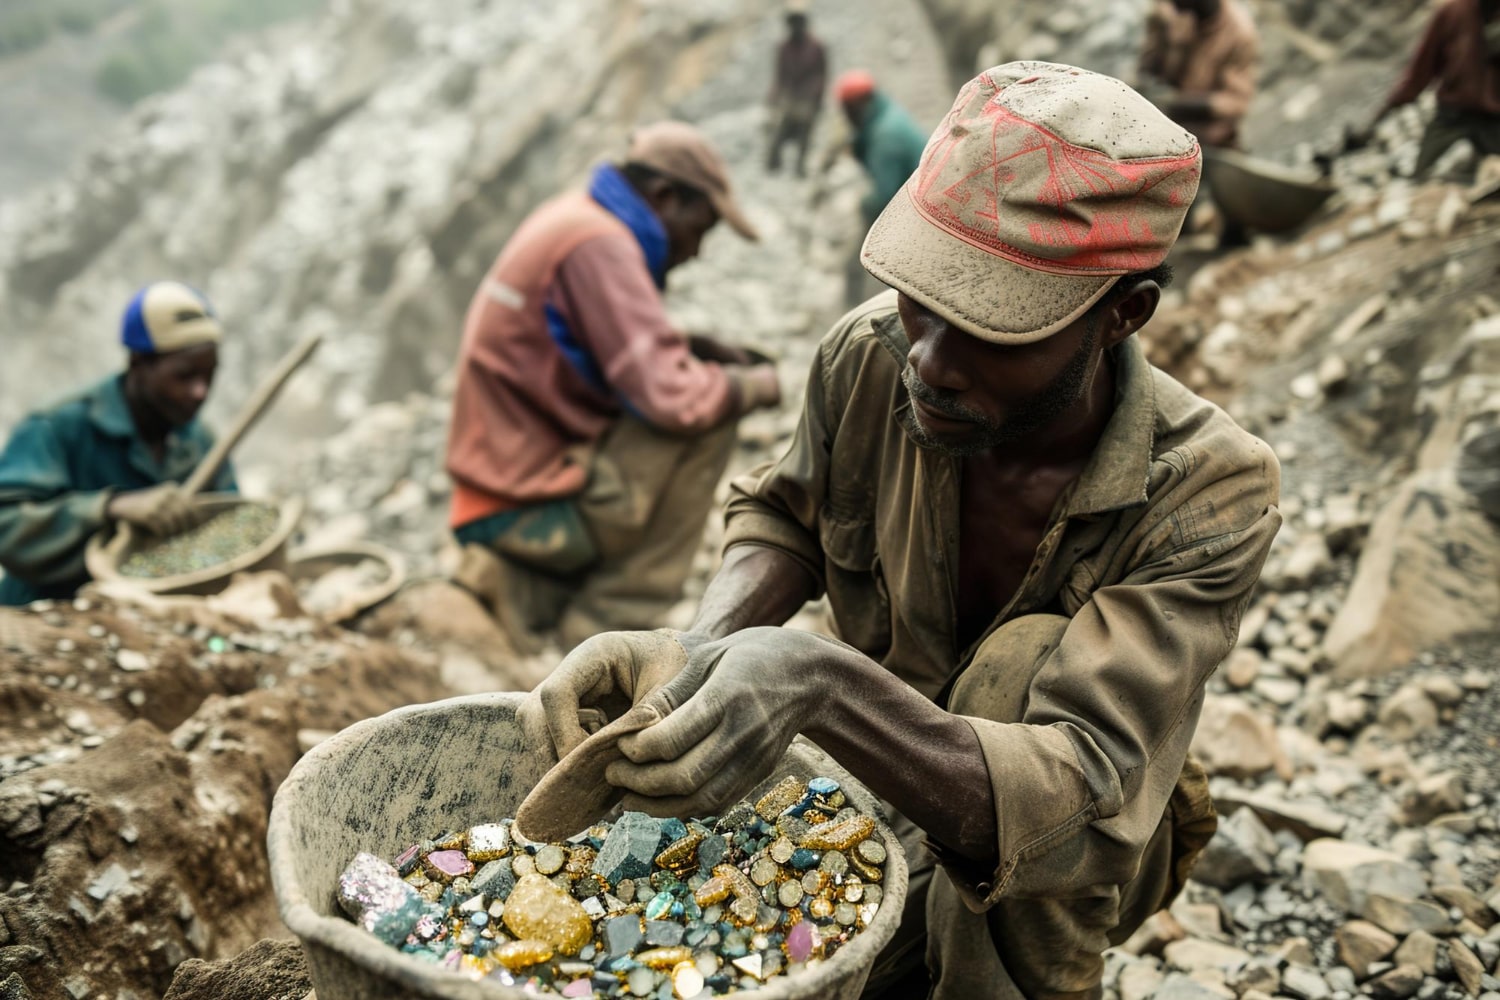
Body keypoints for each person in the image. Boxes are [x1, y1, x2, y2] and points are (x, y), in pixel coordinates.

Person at [521, 63, 1282, 998]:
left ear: (1123, 315)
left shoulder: (1210, 490)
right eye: (925, 297)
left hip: (1061, 841)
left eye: (991, 326)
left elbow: (1083, 797)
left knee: (1016, 668)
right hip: (885, 769)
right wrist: (693, 653)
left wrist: (818, 683)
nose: (928, 360)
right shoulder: (869, 356)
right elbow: (786, 516)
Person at [446, 122, 782, 651]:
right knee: (711, 416)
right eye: (701, 226)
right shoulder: (601, 243)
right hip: (521, 509)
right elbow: (674, 401)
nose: (695, 251)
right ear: (665, 196)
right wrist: (760, 385)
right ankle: (603, 629)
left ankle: (530, 593)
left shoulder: (575, 217)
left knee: (702, 387)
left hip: (493, 488)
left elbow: (608, 349)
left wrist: (693, 346)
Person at [0, 282, 235, 605]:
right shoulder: (56, 426)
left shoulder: (198, 440)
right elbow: (6, 524)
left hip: (153, 623)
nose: (201, 392)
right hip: (42, 618)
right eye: (184, 376)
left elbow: (230, 528)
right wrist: (110, 507)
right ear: (139, 363)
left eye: (210, 375)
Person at [1366, 0, 1500, 177]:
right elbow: (1422, 68)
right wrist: (1390, 107)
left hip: (1492, 117)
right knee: (1422, 176)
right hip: (1453, 114)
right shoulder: (1454, 12)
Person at [828, 69, 926, 305]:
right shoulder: (886, 116)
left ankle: (853, 312)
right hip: (920, 201)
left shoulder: (885, 137)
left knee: (856, 262)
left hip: (917, 211)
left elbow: (884, 195)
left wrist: (862, 204)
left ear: (855, 107)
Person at [1138, 0, 1259, 150]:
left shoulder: (1239, 33)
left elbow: (1236, 102)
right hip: (1159, 123)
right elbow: (1148, 67)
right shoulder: (1171, 15)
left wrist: (1176, 105)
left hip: (1206, 136)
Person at [765, 1, 828, 177]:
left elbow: (822, 75)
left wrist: (817, 99)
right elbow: (780, 76)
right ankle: (773, 167)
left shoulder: (816, 47)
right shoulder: (784, 48)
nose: (795, 26)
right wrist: (774, 99)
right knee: (777, 130)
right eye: (792, 22)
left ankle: (800, 168)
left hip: (808, 98)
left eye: (798, 21)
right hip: (791, 98)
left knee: (805, 136)